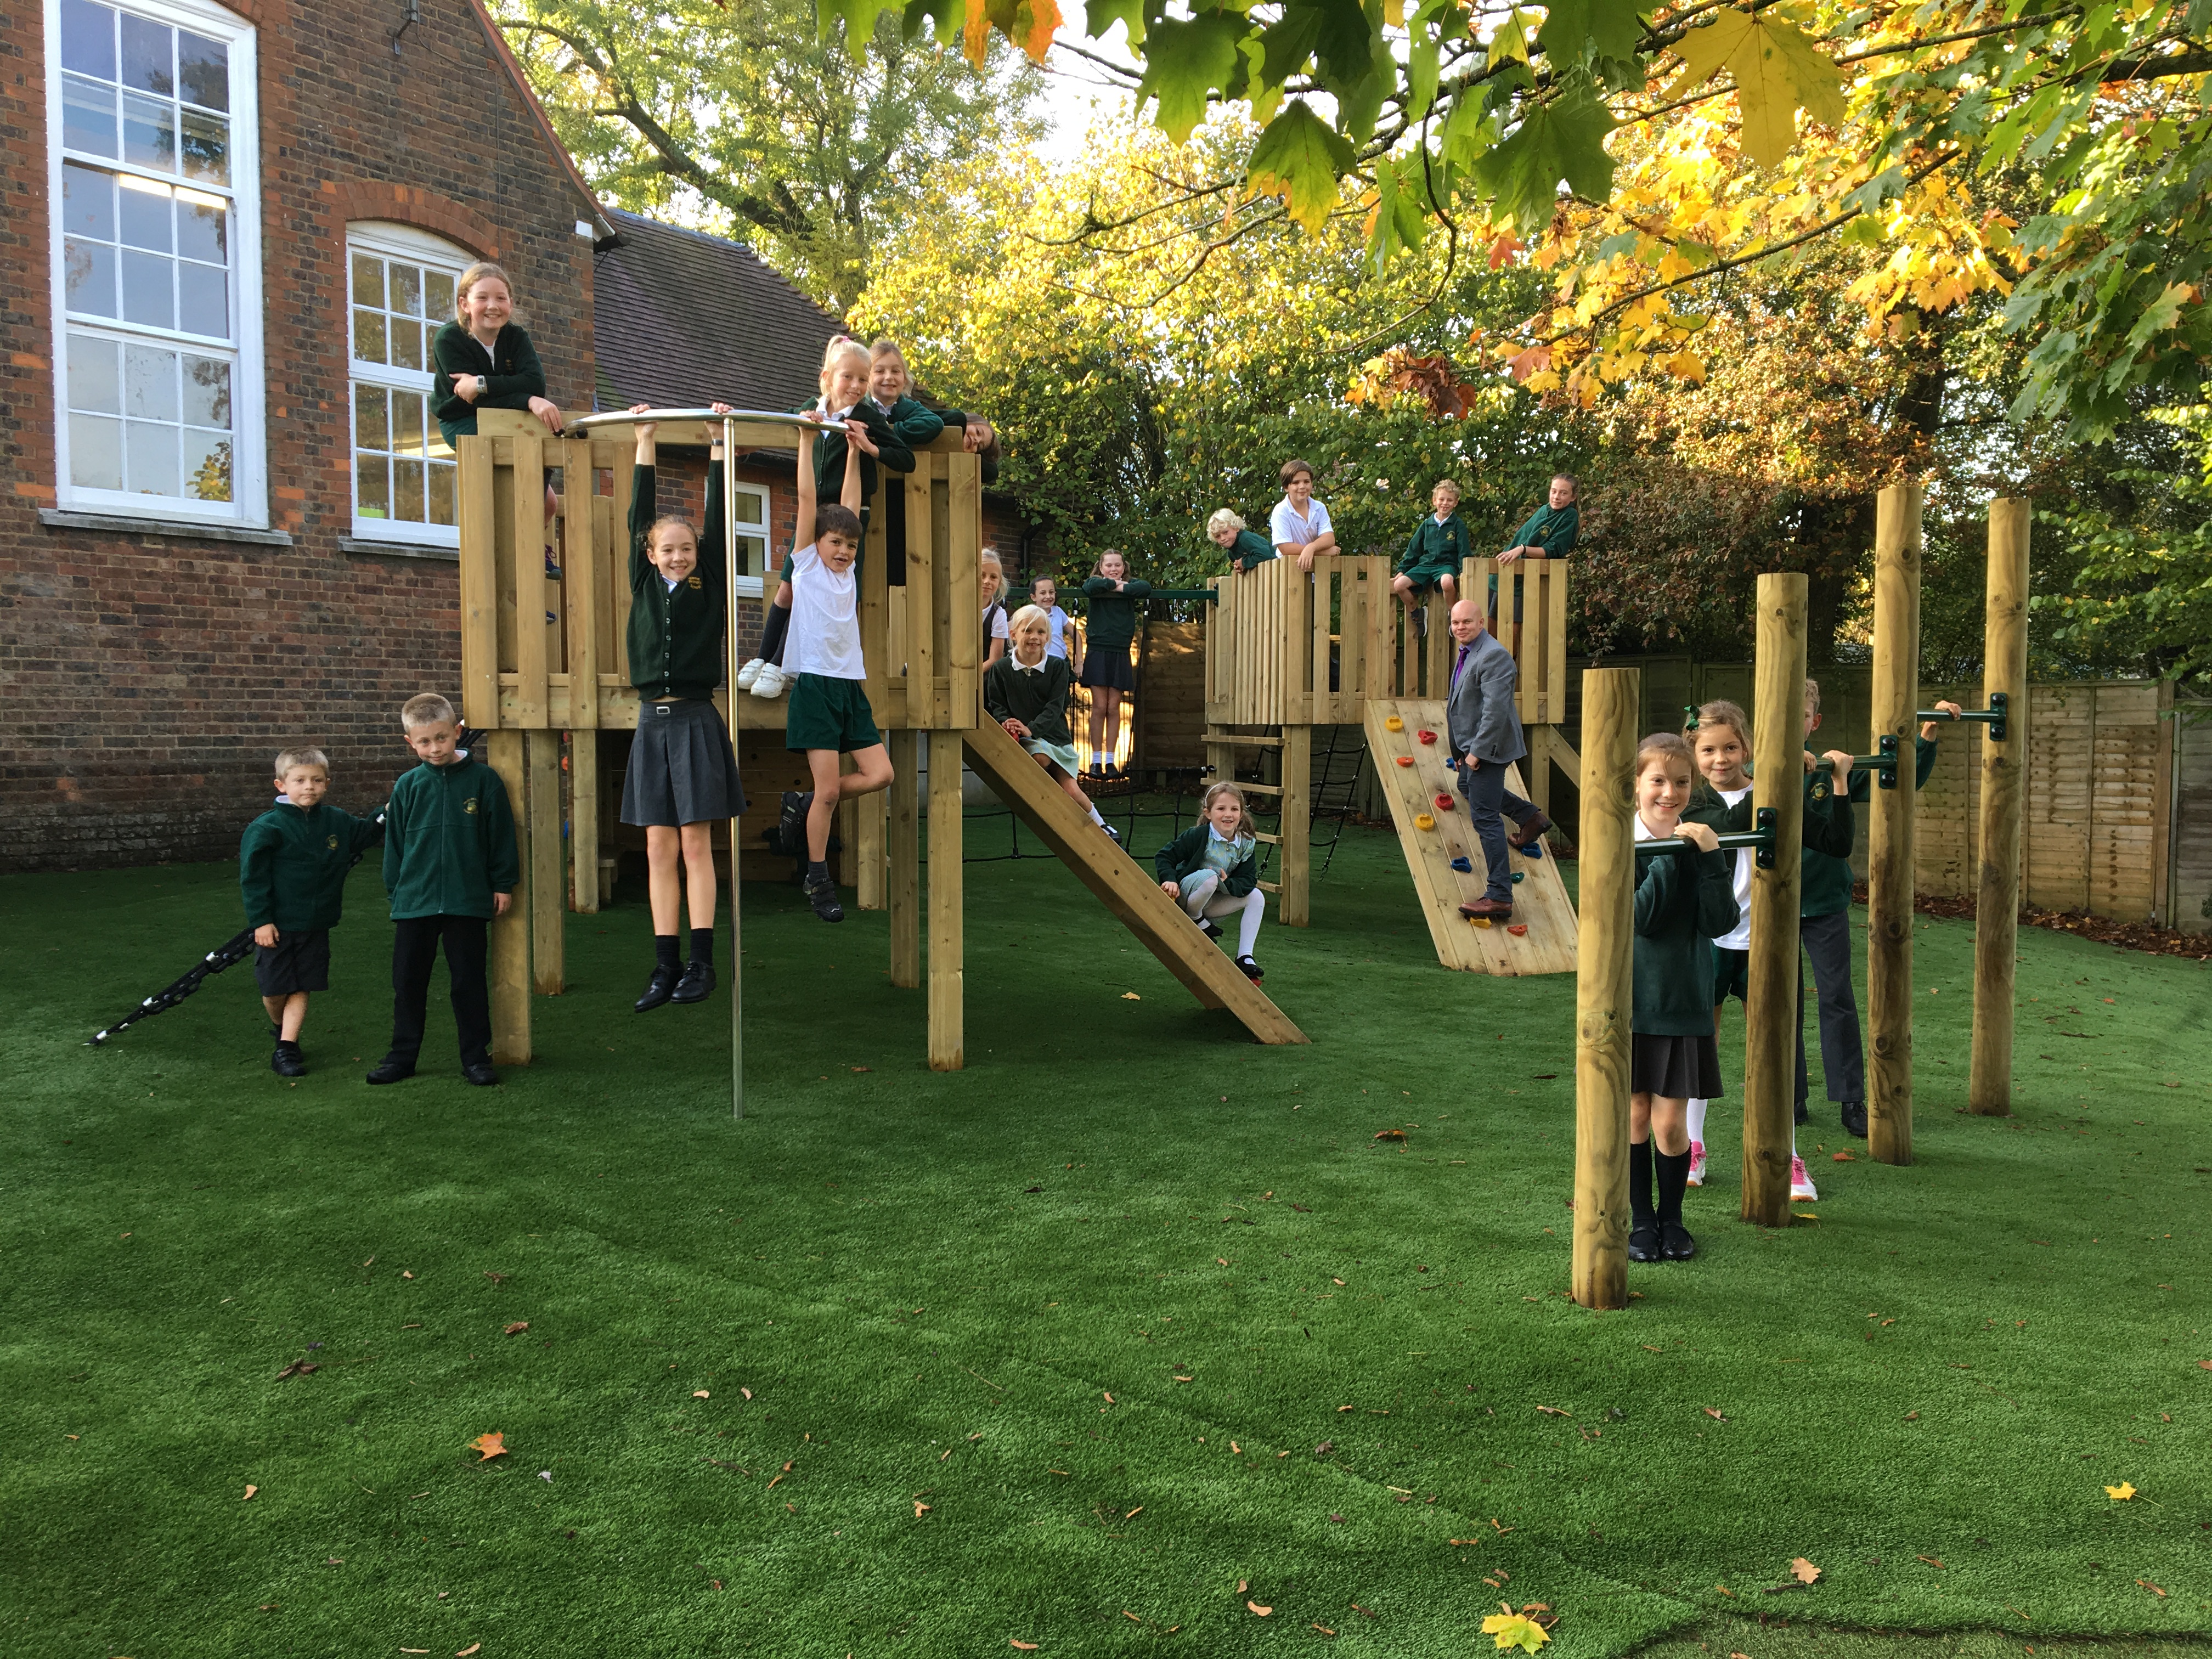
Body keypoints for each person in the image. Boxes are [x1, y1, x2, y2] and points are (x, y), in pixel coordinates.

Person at [1680, 699, 1854, 1198]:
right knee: (1700, 1044)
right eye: (1709, 750)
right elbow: (1729, 822)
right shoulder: (1695, 805)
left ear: (1747, 748)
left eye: (1731, 747)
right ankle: (1694, 1145)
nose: (1721, 759)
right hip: (1711, 940)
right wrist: (1782, 775)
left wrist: (1833, 782)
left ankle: (1789, 1154)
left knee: (1774, 1046)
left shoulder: (1775, 791)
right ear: (1695, 753)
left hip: (1766, 941)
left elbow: (1836, 842)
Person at [622, 404, 748, 1013]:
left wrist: (717, 450)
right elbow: (637, 517)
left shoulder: (708, 582)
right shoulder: (643, 583)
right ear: (650, 555)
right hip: (653, 722)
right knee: (657, 847)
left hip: (697, 717)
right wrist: (644, 440)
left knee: (696, 842)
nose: (677, 555)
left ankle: (702, 964)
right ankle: (664, 965)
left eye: (686, 548)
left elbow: (718, 519)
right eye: (667, 549)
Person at [1798, 682, 1962, 1136]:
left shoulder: (1832, 769)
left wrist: (1926, 737)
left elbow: (1899, 777)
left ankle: (1851, 1099)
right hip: (1769, 903)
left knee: (1836, 999)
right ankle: (1789, 1096)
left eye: (1803, 713)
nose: (1793, 722)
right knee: (1779, 1002)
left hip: (1824, 903)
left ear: (1815, 721)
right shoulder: (1751, 770)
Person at [738, 336, 911, 699]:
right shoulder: (810, 408)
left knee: (823, 595)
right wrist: (747, 444)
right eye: (848, 378)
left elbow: (904, 458)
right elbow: (782, 427)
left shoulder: (865, 417)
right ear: (828, 378)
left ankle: (784, 665)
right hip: (812, 516)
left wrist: (868, 446)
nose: (857, 387)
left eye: (863, 380)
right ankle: (763, 657)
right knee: (789, 586)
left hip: (844, 517)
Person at [774, 416, 895, 924]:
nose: (843, 551)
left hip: (850, 687)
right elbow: (809, 505)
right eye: (835, 543)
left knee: (880, 774)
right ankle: (817, 876)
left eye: (849, 544)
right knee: (830, 790)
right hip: (816, 687)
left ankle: (800, 804)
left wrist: (853, 451)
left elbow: (850, 506)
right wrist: (807, 441)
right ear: (817, 545)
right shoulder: (806, 566)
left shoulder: (847, 571)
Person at [369, 694, 516, 1087]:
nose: (434, 749)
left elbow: (501, 836)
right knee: (408, 983)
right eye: (424, 742)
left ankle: (475, 1058)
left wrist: (502, 883)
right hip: (414, 903)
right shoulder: (407, 786)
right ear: (410, 743)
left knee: (467, 982)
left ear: (458, 733)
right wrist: (397, 892)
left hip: (466, 900)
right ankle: (402, 1057)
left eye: (441, 739)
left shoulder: (485, 781)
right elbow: (395, 845)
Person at [1628, 731, 1737, 1263]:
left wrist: (1709, 858)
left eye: (1679, 782)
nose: (1668, 792)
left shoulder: (1701, 843)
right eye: (1657, 781)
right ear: (1637, 788)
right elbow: (1642, 920)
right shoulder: (1622, 845)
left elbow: (1720, 921)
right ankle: (1641, 1221)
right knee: (1632, 1116)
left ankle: (1673, 1220)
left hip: (1685, 998)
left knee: (1670, 1124)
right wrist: (1670, 851)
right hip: (1632, 1001)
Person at [238, 747, 383, 1077]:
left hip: (315, 923)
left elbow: (364, 834)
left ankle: (287, 1048)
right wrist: (261, 920)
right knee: (274, 989)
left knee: (302, 984)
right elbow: (253, 879)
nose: (309, 787)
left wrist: (387, 811)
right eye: (300, 780)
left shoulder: (335, 820)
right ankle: (280, 1029)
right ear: (281, 785)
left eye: (317, 780)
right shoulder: (267, 828)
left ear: (327, 783)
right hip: (276, 925)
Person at [1444, 599, 1551, 920]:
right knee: (1467, 786)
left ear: (1481, 623)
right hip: (1472, 746)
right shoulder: (1469, 651)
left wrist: (1476, 752)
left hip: (1490, 748)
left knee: (1485, 818)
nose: (1460, 627)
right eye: (1455, 623)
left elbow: (1495, 711)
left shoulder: (1495, 656)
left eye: (1466, 622)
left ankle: (1500, 896)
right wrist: (1460, 752)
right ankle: (1530, 817)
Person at [985, 605, 1119, 842]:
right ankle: (1056, 815)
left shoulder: (1057, 667)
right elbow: (998, 704)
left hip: (1055, 738)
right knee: (1040, 757)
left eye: (1041, 632)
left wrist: (1032, 728)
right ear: (1014, 634)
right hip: (1025, 739)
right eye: (1027, 631)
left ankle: (1101, 825)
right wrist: (1008, 723)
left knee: (1071, 788)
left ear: (1048, 637)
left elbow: (1055, 706)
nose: (1034, 637)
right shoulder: (1002, 669)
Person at [431, 262, 563, 448]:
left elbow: (535, 383)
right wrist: (528, 400)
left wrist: (480, 383)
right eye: (482, 298)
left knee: (549, 442)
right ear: (465, 304)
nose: (492, 306)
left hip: (511, 413)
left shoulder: (516, 336)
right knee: (511, 446)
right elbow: (475, 399)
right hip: (464, 418)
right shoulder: (449, 339)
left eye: (501, 298)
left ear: (510, 303)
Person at [1155, 781, 1266, 982]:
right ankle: (1195, 917)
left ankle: (1245, 956)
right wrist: (1169, 880)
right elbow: (1165, 856)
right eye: (1221, 809)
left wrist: (1229, 884)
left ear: (1241, 813)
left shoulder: (1245, 842)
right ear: (1208, 813)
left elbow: (1249, 879)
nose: (1228, 814)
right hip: (1189, 896)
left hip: (1212, 900)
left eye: (1234, 809)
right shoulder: (1199, 835)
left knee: (1256, 896)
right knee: (1210, 877)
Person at [867, 338, 948, 586]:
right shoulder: (861, 407)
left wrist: (884, 434)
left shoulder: (910, 408)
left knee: (902, 559)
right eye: (879, 371)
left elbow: (933, 424)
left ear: (905, 378)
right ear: (867, 377)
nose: (888, 377)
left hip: (904, 493)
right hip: (867, 491)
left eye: (895, 371)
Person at [1079, 549, 1150, 778]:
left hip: (1120, 651)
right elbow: (1089, 588)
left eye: (1117, 565)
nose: (1113, 569)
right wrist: (1114, 585)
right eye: (1108, 565)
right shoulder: (1096, 584)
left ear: (1124, 567)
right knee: (1099, 707)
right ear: (1101, 567)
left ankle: (1110, 762)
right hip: (1098, 650)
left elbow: (1145, 588)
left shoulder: (1131, 585)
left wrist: (1123, 587)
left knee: (1113, 707)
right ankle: (1095, 760)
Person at [1391, 478, 1472, 629]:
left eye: (1450, 500)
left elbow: (1464, 551)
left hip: (1446, 565)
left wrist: (1463, 572)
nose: (1445, 503)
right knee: (1399, 585)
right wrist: (1402, 570)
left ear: (1455, 503)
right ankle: (1417, 613)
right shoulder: (1427, 524)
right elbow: (1413, 549)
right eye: (1441, 499)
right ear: (1434, 501)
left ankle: (1453, 615)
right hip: (1426, 565)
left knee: (1447, 582)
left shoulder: (1457, 525)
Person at [1269, 459, 1336, 572]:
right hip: (1289, 572)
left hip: (1316, 572)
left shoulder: (1319, 508)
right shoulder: (1281, 511)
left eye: (1306, 482)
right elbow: (1286, 548)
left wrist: (1312, 548)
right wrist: (1323, 552)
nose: (1302, 486)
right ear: (1286, 487)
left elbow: (1329, 538)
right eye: (1296, 483)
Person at [1029, 575, 1080, 665]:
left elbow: (1075, 633)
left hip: (1059, 661)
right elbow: (1009, 628)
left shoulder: (1058, 612)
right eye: (1043, 593)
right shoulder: (1028, 614)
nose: (1048, 596)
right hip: (1036, 662)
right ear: (1034, 597)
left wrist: (1079, 662)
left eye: (1051, 592)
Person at [1208, 507, 1276, 573]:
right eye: (1218, 536)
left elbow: (1266, 555)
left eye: (1225, 532)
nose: (1222, 538)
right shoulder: (1231, 553)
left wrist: (1244, 562)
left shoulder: (1245, 539)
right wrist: (1240, 567)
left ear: (1236, 528)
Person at [980, 549, 1010, 670]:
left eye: (993, 577)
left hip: (983, 679)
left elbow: (995, 659)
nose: (987, 581)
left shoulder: (999, 615)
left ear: (1000, 582)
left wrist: (970, 677)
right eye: (982, 575)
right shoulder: (957, 608)